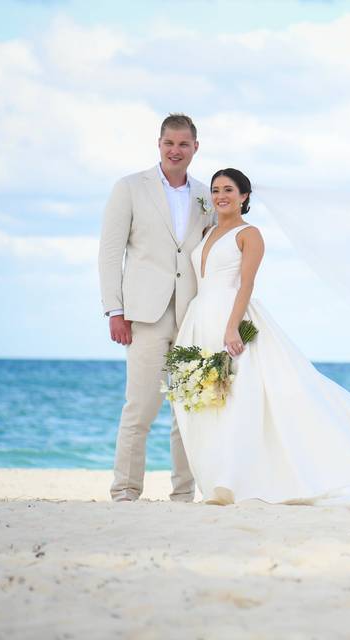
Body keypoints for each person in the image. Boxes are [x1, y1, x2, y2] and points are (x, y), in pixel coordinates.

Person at [171, 168, 350, 511]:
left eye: (228, 189)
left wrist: (232, 327)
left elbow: (247, 285)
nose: (221, 195)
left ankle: (244, 479)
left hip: (231, 318)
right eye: (216, 189)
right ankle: (218, 478)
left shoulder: (249, 234)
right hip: (200, 318)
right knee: (210, 399)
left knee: (247, 396)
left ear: (244, 196)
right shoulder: (207, 231)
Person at [98, 113, 215, 502]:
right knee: (140, 409)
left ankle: (184, 494)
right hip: (144, 315)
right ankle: (125, 492)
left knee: (188, 411)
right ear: (159, 144)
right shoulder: (130, 187)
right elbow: (110, 252)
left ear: (195, 147)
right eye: (169, 143)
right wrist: (114, 310)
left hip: (191, 315)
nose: (176, 151)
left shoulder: (206, 194)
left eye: (184, 144)